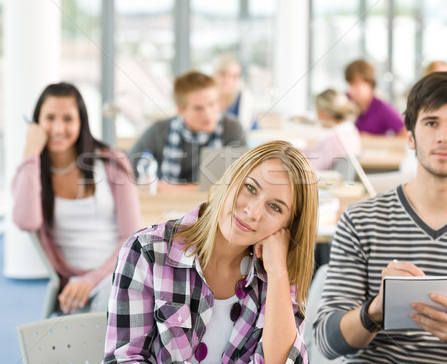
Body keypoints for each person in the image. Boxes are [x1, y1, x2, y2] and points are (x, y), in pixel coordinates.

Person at [314, 71, 447, 363]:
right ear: (410, 135)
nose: (445, 136)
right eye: (431, 123)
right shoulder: (361, 220)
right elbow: (327, 343)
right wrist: (376, 310)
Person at [104, 140, 318, 363]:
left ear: (287, 227)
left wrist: (278, 274)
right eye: (250, 188)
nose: (253, 212)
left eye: (275, 207)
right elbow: (124, 359)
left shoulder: (278, 274)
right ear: (231, 179)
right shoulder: (148, 251)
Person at [12, 82, 142, 314]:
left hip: (119, 271)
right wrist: (30, 152)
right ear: (36, 123)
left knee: (112, 306)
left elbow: (131, 238)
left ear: (81, 122)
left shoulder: (111, 163)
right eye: (50, 118)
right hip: (73, 285)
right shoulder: (30, 172)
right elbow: (26, 222)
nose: (58, 128)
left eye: (68, 119)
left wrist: (92, 279)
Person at [128, 70, 246, 190]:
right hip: (167, 206)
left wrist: (164, 188)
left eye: (212, 104)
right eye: (198, 108)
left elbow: (238, 184)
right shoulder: (158, 132)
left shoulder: (232, 129)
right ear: (181, 110)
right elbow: (127, 170)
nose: (208, 114)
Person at [303, 89, 361, 171]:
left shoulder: (332, 141)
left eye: (317, 113)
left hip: (324, 181)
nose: (316, 118)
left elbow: (310, 169)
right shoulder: (351, 131)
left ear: (323, 114)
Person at [345, 59, 406, 136]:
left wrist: (371, 139)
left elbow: (404, 133)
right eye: (352, 83)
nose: (355, 89)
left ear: (371, 83)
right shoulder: (343, 102)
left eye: (360, 83)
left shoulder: (382, 107)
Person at [213, 53, 259, 130]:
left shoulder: (243, 99)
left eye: (234, 76)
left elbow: (254, 134)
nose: (228, 80)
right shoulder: (206, 100)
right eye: (223, 74)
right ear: (214, 74)